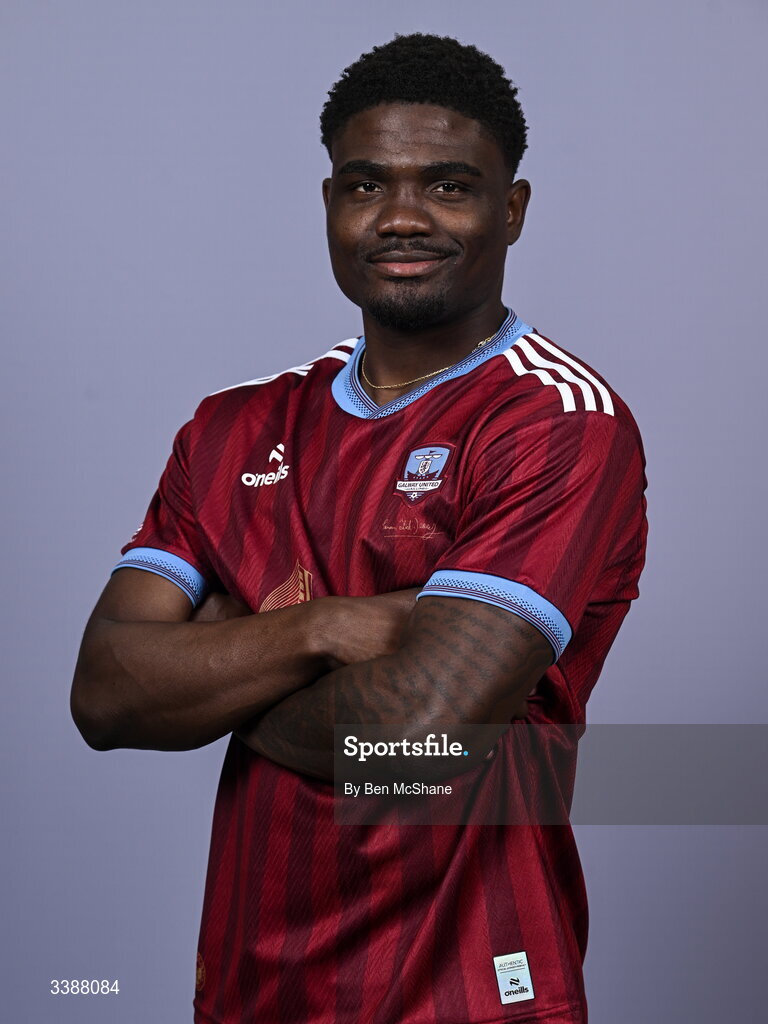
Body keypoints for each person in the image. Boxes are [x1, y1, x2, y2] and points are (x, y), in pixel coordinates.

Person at [71, 32, 647, 1024]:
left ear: (511, 211)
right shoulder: (231, 427)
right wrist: (320, 629)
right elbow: (106, 694)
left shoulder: (556, 422)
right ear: (331, 202)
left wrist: (221, 683)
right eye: (367, 184)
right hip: (251, 991)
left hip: (468, 993)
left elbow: (420, 742)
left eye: (450, 186)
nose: (403, 217)